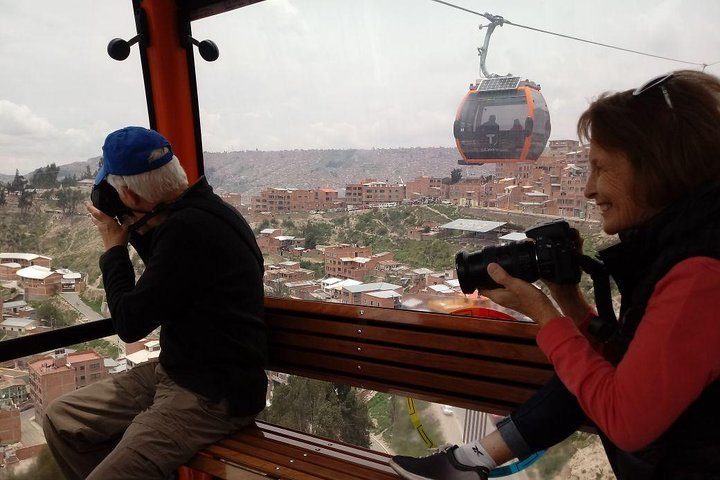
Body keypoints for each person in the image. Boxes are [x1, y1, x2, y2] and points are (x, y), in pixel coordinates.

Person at [390, 69, 720, 479]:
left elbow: (627, 417)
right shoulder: (688, 247)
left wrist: (545, 316)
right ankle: (467, 463)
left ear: (657, 167)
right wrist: (567, 298)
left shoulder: (702, 275)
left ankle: (466, 463)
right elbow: (635, 367)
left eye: (601, 168)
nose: (589, 189)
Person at [43, 126, 268, 479]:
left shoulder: (187, 230)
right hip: (178, 373)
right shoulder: (207, 211)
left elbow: (130, 324)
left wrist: (114, 248)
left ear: (129, 193)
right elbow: (172, 281)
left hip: (212, 397)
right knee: (62, 418)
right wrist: (139, 227)